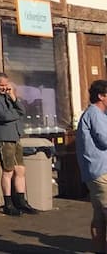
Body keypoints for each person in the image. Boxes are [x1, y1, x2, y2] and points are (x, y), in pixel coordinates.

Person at [0, 72, 37, 215]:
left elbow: (22, 110)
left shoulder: (8, 96)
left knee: (20, 170)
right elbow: (4, 116)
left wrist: (13, 98)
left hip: (16, 134)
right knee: (8, 170)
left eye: (6, 85)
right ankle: (8, 203)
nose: (5, 88)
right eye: (2, 85)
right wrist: (16, 114)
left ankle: (21, 201)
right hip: (4, 136)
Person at [80, 80, 107, 253]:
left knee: (99, 217)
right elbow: (105, 139)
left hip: (94, 171)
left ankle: (99, 250)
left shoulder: (96, 114)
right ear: (101, 96)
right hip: (101, 171)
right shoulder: (95, 114)